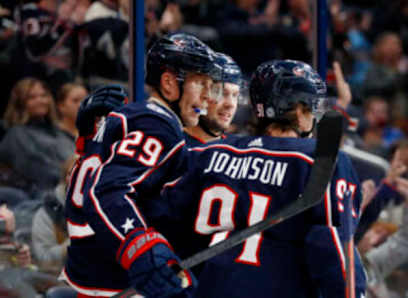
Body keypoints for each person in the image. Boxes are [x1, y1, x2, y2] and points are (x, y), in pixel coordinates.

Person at [144, 59, 366, 298]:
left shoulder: (207, 155)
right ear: (300, 110)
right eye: (312, 109)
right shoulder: (321, 159)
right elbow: (331, 245)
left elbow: (161, 227)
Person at [62, 33, 221, 297]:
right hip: (121, 279)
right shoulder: (156, 124)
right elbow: (109, 190)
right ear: (169, 83)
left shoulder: (133, 116)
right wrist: (140, 247)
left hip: (92, 271)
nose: (208, 97)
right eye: (200, 84)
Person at [0, 77, 74, 191]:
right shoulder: (16, 135)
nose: (41, 100)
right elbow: (39, 171)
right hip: (43, 196)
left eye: (44, 95)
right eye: (32, 97)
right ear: (21, 102)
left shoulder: (58, 132)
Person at [183, 52, 243, 146]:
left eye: (235, 95)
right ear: (201, 94)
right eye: (222, 93)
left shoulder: (240, 150)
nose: (230, 104)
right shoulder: (174, 146)